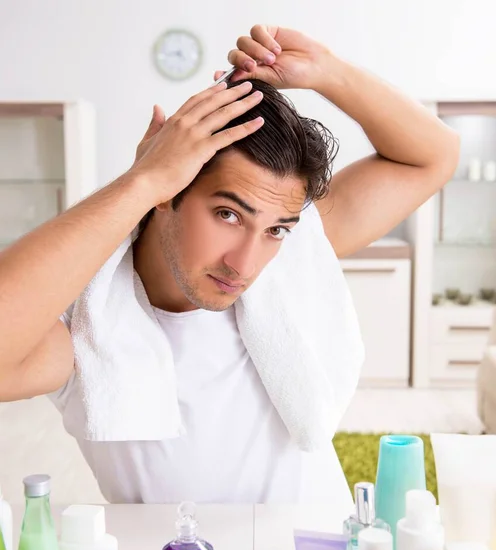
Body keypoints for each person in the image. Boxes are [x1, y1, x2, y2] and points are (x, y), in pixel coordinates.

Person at [0, 25, 459, 509]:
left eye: (276, 229)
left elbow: (433, 156)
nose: (246, 264)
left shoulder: (288, 258)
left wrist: (329, 72)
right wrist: (140, 181)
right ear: (167, 193)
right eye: (228, 215)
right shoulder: (89, 333)